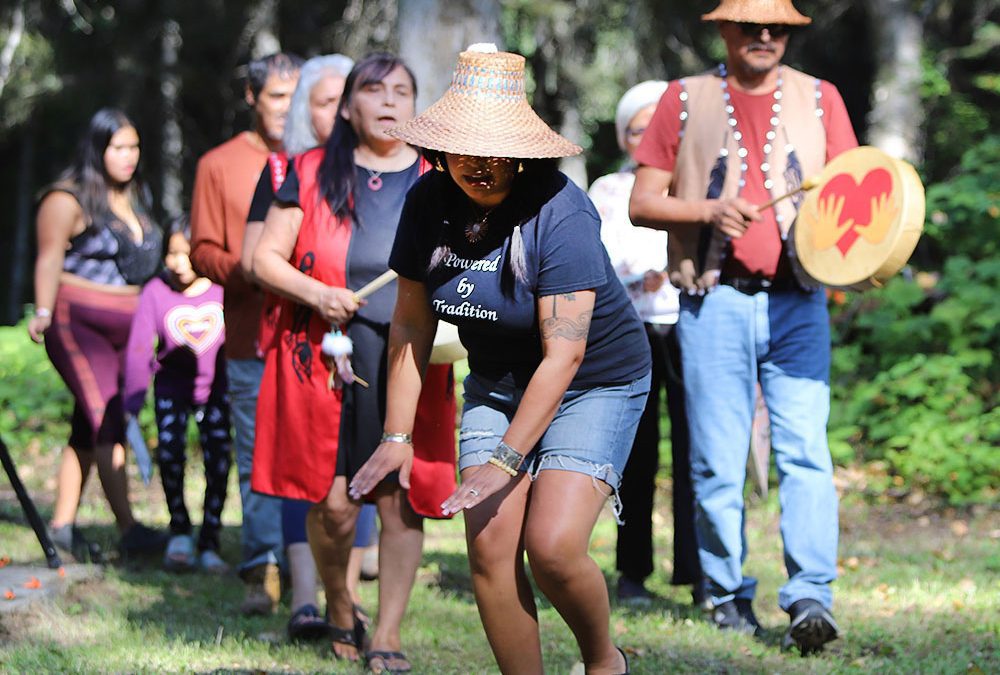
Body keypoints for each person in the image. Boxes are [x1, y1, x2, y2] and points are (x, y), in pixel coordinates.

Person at [350, 44, 652, 675]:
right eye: (463, 149)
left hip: (593, 383)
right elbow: (411, 321)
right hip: (497, 384)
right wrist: (397, 436)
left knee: (553, 547)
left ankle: (604, 662)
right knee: (489, 548)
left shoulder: (560, 212)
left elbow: (565, 354)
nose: (479, 165)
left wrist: (506, 460)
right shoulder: (428, 202)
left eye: (494, 151)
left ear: (521, 152)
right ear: (441, 150)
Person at [628, 0, 857, 655]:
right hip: (713, 299)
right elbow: (643, 201)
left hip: (800, 301)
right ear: (723, 28)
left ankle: (811, 596)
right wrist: (708, 210)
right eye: (751, 25)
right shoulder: (683, 98)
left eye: (777, 27)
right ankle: (727, 593)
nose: (764, 36)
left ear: (789, 31)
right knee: (716, 461)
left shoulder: (821, 98)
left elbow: (857, 195)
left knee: (806, 451)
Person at [250, 53, 457, 671]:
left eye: (402, 90)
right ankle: (340, 606)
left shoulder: (439, 177)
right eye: (374, 89)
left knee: (400, 500)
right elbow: (264, 259)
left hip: (411, 357)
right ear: (346, 106)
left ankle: (387, 633)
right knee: (334, 504)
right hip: (328, 354)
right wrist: (318, 295)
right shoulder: (310, 170)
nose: (390, 101)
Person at [241, 52, 378, 642]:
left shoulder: (387, 172)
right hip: (300, 339)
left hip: (364, 341)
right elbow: (255, 258)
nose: (340, 112)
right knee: (305, 469)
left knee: (356, 470)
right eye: (325, 102)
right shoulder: (285, 170)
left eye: (344, 99)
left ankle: (346, 598)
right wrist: (317, 289)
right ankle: (304, 597)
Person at [190, 51, 302, 615]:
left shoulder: (320, 160)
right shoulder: (219, 164)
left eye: (296, 96)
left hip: (313, 335)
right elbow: (202, 249)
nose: (287, 107)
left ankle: (319, 564)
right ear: (252, 97)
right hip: (250, 333)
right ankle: (263, 565)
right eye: (277, 95)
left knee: (314, 449)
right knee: (258, 451)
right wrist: (253, 269)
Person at [28, 107, 164, 561]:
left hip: (130, 330)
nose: (129, 156)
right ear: (98, 149)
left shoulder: (135, 195)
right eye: (118, 147)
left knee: (88, 424)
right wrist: (42, 310)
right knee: (107, 417)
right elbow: (49, 257)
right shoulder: (67, 198)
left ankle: (62, 527)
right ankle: (130, 530)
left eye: (134, 147)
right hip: (78, 323)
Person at [589, 80, 703, 607]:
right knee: (634, 453)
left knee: (696, 449)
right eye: (640, 128)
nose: (652, 136)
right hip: (628, 329)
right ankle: (632, 571)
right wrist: (640, 277)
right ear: (624, 135)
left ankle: (698, 570)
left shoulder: (697, 183)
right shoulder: (608, 190)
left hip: (690, 324)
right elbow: (597, 259)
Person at [123, 214, 231, 574]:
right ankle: (180, 530)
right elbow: (140, 348)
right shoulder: (156, 291)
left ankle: (210, 539)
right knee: (170, 455)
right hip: (171, 389)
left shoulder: (222, 288)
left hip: (216, 390)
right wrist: (132, 402)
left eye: (186, 254)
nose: (178, 263)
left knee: (219, 461)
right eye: (171, 253)